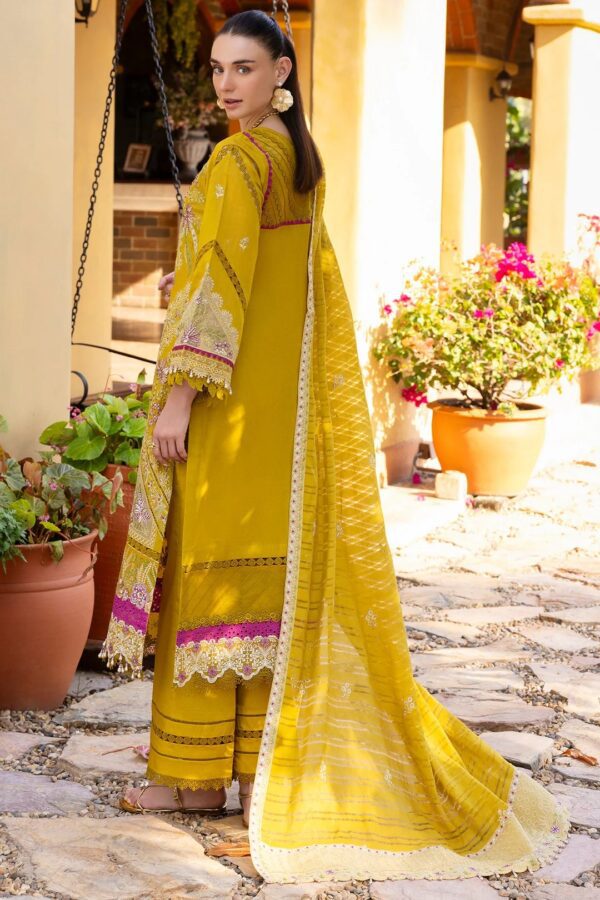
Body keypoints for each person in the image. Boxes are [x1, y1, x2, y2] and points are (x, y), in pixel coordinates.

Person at [101, 7, 570, 885]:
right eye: (217, 69)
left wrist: (177, 399)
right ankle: (247, 771)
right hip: (281, 412)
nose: (225, 84)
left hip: (230, 405)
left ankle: (195, 779)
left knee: (210, 572)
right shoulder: (296, 160)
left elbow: (217, 290)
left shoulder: (241, 160)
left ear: (281, 72)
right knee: (263, 583)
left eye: (243, 68)